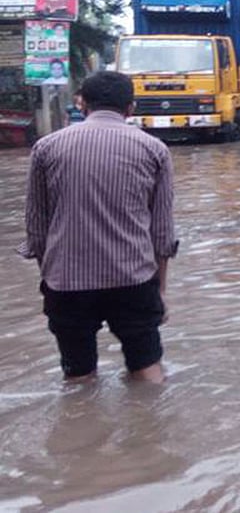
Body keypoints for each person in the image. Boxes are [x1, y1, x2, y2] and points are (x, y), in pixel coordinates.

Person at [19, 71, 177, 383]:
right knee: (147, 369)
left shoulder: (46, 148)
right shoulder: (154, 149)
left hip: (66, 282)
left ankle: (78, 429)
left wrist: (49, 280)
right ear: (131, 108)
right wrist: (159, 290)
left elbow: (36, 229)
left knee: (78, 376)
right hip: (133, 278)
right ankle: (153, 428)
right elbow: (161, 233)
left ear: (81, 104)